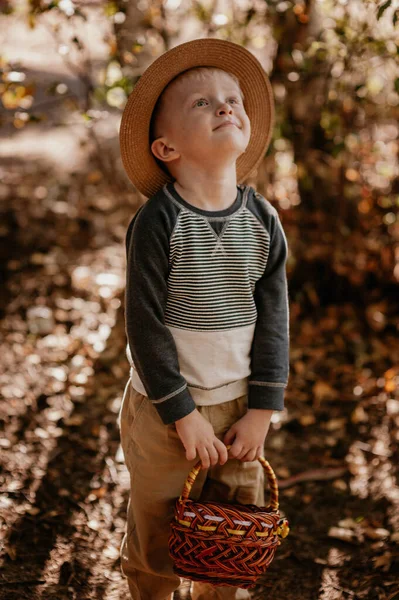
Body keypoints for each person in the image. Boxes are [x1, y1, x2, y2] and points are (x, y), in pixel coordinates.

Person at [117, 38, 290, 600]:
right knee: (159, 541)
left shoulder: (262, 218)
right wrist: (181, 414)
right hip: (165, 414)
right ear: (166, 147)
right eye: (203, 103)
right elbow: (144, 325)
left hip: (240, 408)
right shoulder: (158, 222)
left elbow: (274, 319)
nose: (225, 107)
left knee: (229, 542)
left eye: (233, 99)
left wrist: (263, 409)